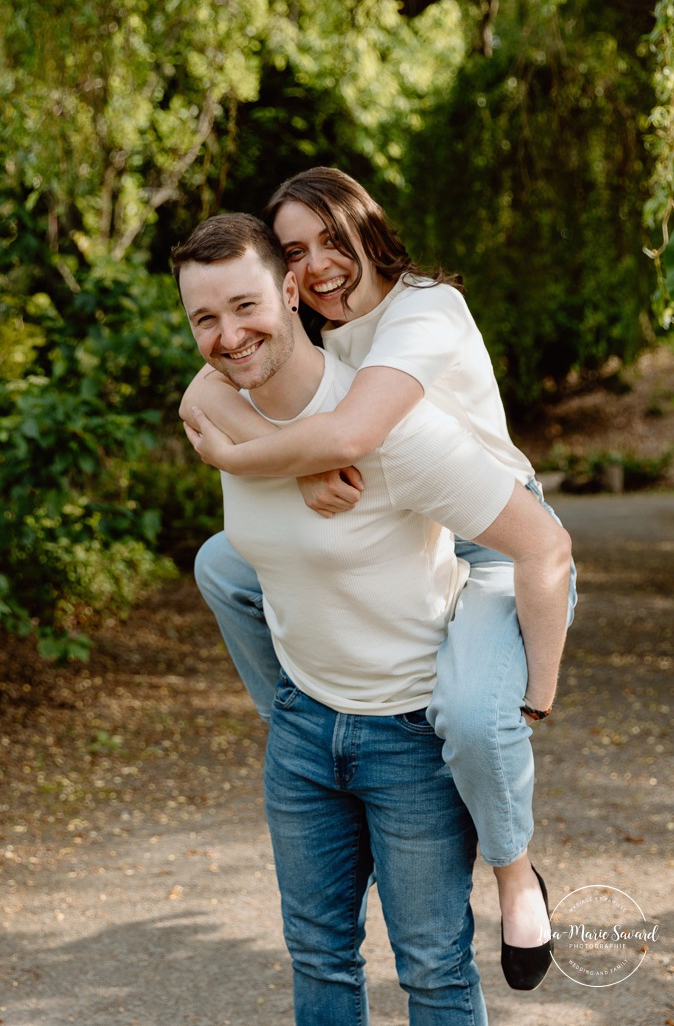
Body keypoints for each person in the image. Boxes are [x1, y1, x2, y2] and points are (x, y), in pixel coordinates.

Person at [179, 168, 577, 986]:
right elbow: (214, 388)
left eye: (333, 237)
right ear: (285, 277)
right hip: (421, 527)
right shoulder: (324, 327)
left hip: (496, 539)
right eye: (297, 250)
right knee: (223, 564)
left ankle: (514, 876)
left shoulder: (423, 311)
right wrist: (292, 467)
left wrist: (533, 696)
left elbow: (353, 427)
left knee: (469, 714)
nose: (320, 263)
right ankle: (294, 713)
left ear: (368, 228)